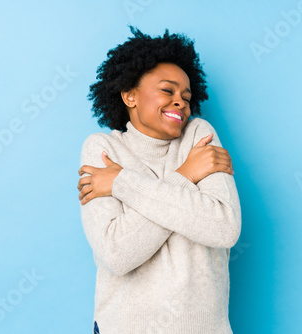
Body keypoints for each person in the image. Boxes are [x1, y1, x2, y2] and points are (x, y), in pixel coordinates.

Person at [78, 26, 241, 334]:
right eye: (167, 90)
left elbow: (223, 227)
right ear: (129, 95)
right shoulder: (103, 150)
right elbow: (118, 254)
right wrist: (188, 176)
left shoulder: (199, 135)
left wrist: (123, 183)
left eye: (186, 96)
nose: (180, 101)